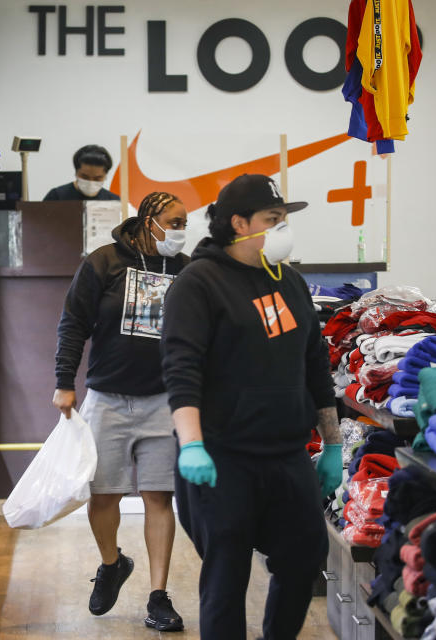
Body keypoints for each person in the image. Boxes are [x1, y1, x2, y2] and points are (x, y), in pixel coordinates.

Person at [160, 174, 343, 640]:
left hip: (286, 453)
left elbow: (316, 364)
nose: (283, 228)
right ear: (238, 223)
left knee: (304, 558)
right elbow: (182, 371)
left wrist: (334, 443)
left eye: (284, 219)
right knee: (226, 576)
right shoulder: (198, 282)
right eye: (273, 219)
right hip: (221, 458)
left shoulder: (291, 281)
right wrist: (191, 444)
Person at [53, 191, 190, 632]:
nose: (180, 230)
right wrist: (63, 383)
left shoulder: (184, 269)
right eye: (174, 221)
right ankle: (112, 564)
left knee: (158, 496)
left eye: (185, 222)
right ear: (149, 219)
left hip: (163, 401)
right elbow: (73, 322)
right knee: (104, 495)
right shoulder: (104, 262)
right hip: (107, 398)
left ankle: (158, 596)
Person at [43, 144, 121, 201]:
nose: (91, 182)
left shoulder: (113, 202)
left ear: (105, 175)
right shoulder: (56, 196)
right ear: (76, 172)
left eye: (97, 178)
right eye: (85, 177)